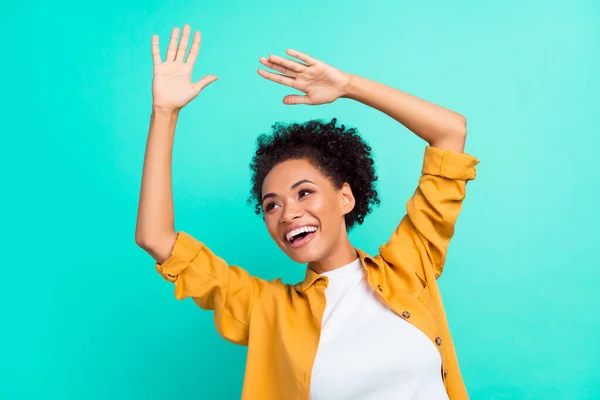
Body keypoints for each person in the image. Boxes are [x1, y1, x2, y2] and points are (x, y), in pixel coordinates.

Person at [136, 23, 479, 400]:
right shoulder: (269, 311)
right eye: (272, 205)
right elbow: (156, 238)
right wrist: (164, 113)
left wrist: (348, 85)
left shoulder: (410, 267)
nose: (288, 213)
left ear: (345, 197)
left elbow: (450, 132)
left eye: (304, 193)